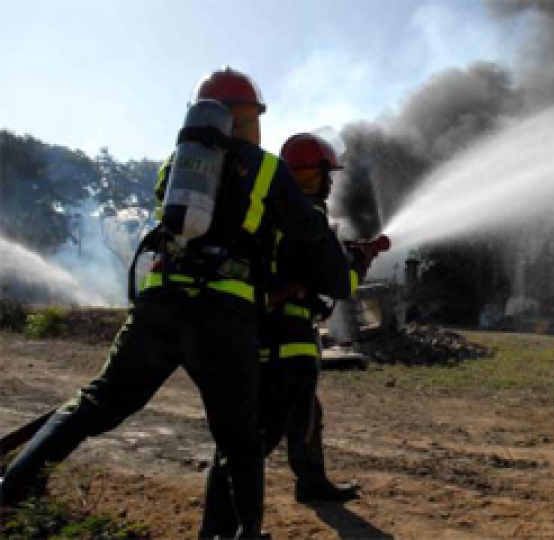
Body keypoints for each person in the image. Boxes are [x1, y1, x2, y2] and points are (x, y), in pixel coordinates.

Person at [0, 68, 325, 540]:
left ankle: (11, 489)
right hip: (223, 317)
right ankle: (247, 536)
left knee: (94, 403)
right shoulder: (268, 168)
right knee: (240, 440)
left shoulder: (176, 167)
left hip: (160, 305)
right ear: (244, 116)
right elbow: (308, 233)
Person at [199, 132, 379, 537]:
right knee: (251, 442)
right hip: (285, 342)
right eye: (325, 173)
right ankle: (222, 530)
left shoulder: (269, 211)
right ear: (310, 174)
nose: (331, 181)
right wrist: (358, 262)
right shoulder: (303, 220)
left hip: (265, 335)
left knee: (304, 416)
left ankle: (310, 482)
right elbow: (340, 284)